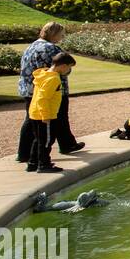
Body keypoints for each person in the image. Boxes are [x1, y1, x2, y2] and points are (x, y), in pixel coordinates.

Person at [17, 21, 83, 161]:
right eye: (61, 34)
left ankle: (24, 153)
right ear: (53, 34)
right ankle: (30, 153)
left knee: (31, 119)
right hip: (50, 89)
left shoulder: (31, 46)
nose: (62, 37)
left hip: (30, 88)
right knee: (58, 117)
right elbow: (62, 68)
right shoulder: (51, 48)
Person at [25, 52, 76, 172]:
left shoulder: (45, 75)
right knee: (47, 140)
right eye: (69, 67)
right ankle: (44, 164)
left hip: (35, 113)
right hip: (45, 114)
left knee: (38, 139)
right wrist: (46, 115)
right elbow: (43, 98)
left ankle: (33, 163)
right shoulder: (53, 79)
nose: (68, 70)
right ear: (63, 66)